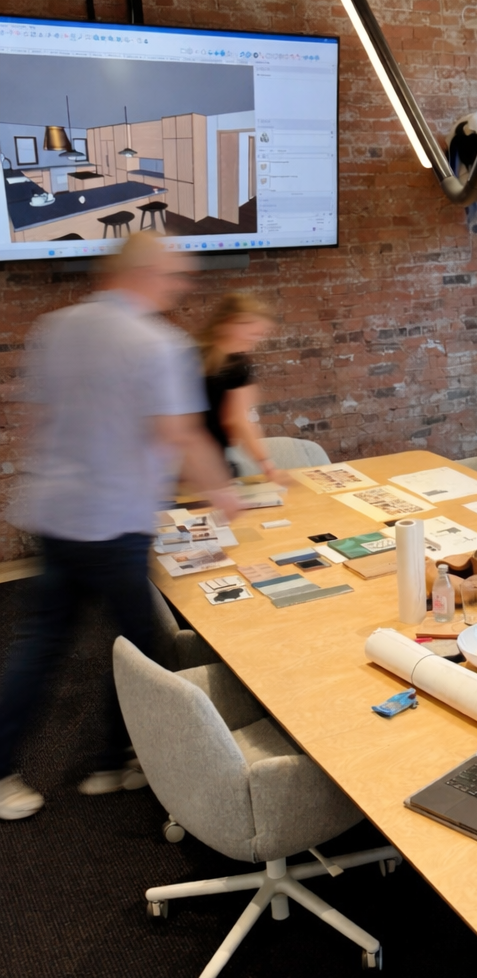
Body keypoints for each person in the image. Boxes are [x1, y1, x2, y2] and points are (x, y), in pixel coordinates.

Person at [0, 232, 239, 822]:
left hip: (58, 515)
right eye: (174, 276)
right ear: (148, 274)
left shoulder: (54, 329)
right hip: (114, 522)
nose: (179, 287)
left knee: (43, 644)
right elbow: (179, 434)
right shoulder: (159, 343)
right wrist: (223, 494)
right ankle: (113, 761)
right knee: (142, 648)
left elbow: (42, 419)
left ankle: (20, 767)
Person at [198, 292, 280, 479]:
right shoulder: (237, 366)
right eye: (254, 333)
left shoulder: (193, 354)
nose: (257, 339)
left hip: (187, 462)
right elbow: (238, 420)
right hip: (205, 465)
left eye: (261, 334)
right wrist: (267, 464)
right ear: (231, 322)